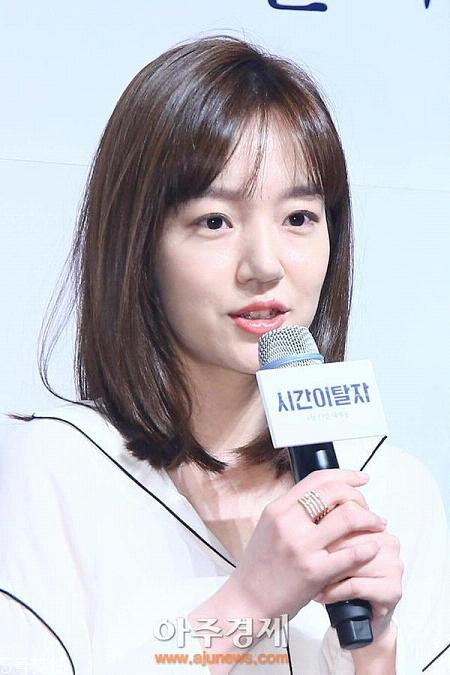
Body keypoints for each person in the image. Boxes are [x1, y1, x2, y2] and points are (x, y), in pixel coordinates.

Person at [0, 35, 448, 675]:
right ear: (138, 244)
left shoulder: (389, 488)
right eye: (215, 221)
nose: (265, 266)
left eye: (299, 218)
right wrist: (251, 600)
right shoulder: (58, 467)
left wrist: (374, 654)